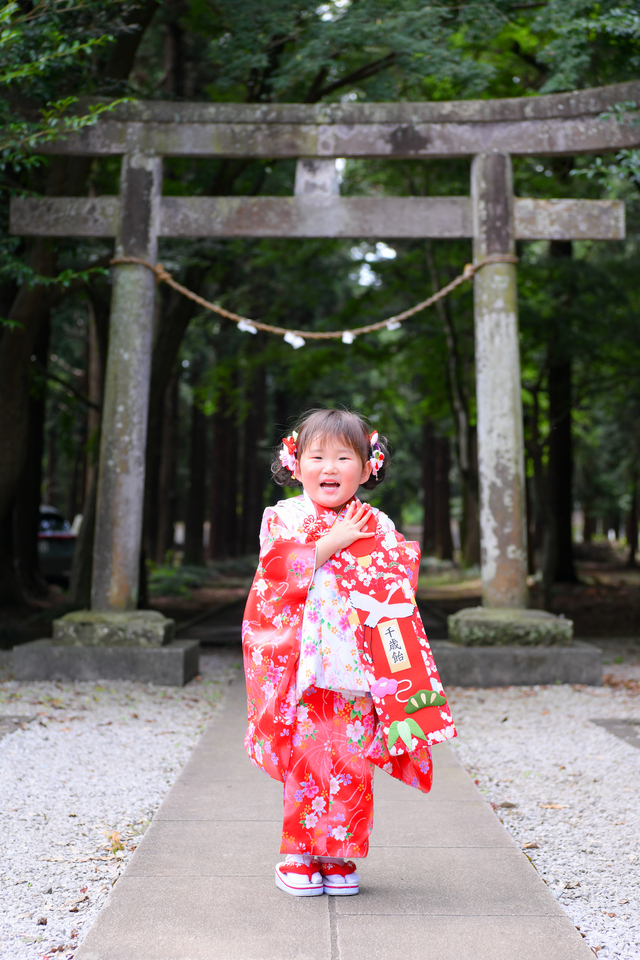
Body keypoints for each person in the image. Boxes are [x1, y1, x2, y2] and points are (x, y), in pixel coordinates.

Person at [242, 408, 456, 898]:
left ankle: (338, 853)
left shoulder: (376, 521)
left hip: (359, 665)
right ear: (295, 464)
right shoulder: (282, 517)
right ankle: (300, 855)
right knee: (306, 757)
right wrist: (333, 543)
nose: (330, 467)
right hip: (303, 663)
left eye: (344, 457)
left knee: (351, 760)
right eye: (317, 456)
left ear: (366, 467)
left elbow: (398, 588)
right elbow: (275, 578)